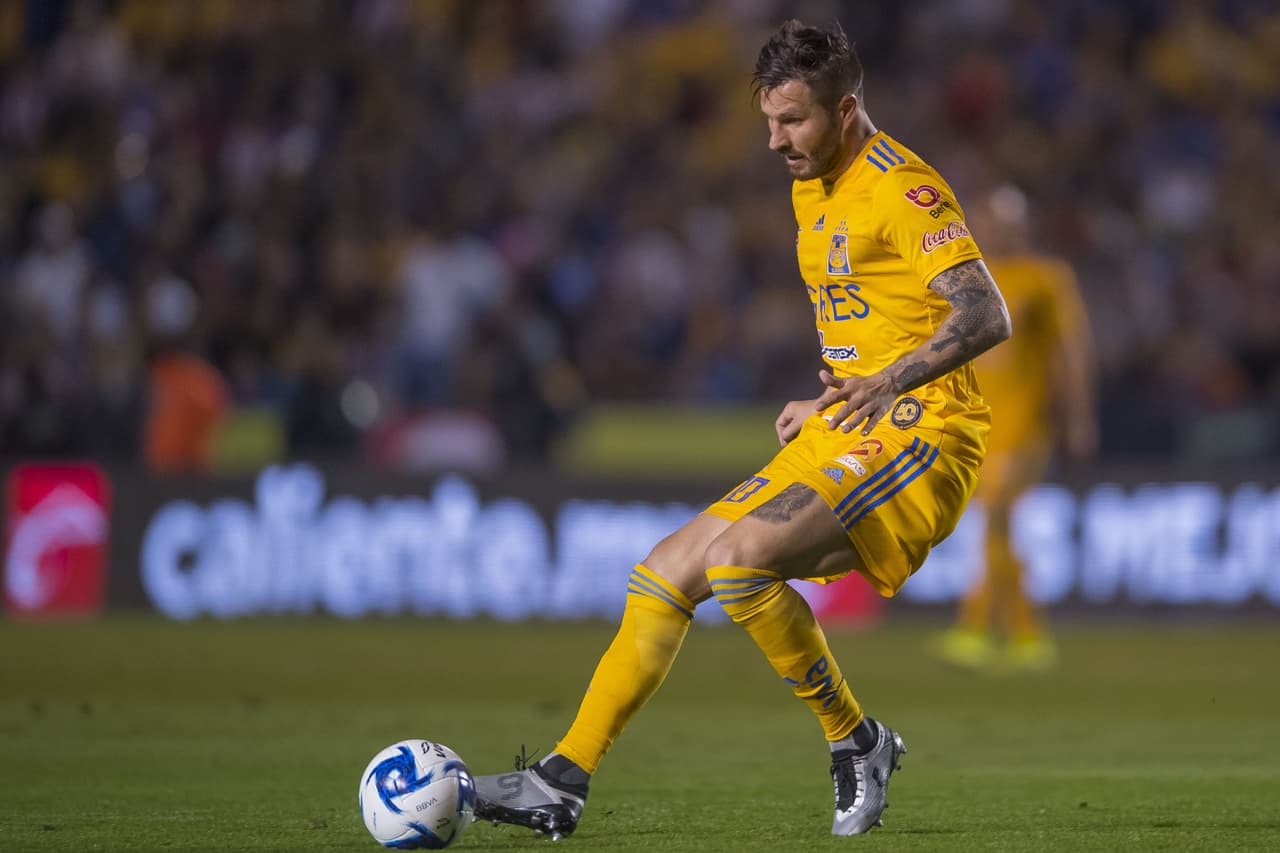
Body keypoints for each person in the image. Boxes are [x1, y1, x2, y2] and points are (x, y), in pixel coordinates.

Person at [473, 19, 1011, 838]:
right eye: (768, 121)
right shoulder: (810, 180)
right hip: (852, 424)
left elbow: (985, 312)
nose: (774, 141)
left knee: (738, 564)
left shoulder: (903, 189)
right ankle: (563, 776)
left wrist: (884, 383)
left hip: (924, 434)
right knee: (663, 572)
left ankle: (855, 740)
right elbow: (878, 320)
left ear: (847, 108)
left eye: (792, 120)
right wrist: (832, 399)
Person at [934, 184, 1096, 672]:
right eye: (990, 217)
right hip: (969, 426)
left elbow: (1070, 351)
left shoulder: (1044, 278)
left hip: (1024, 425)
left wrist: (1078, 417)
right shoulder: (962, 279)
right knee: (995, 528)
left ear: (1021, 224)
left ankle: (982, 629)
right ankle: (1024, 636)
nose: (998, 228)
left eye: (1008, 219)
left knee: (999, 517)